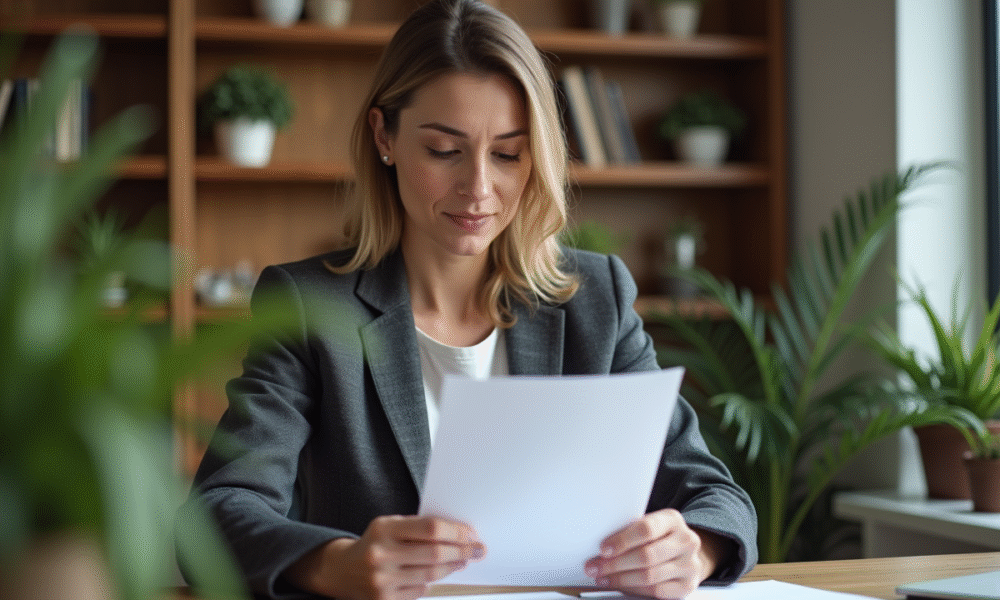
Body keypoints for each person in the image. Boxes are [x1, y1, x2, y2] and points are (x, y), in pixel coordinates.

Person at [178, 1, 758, 599]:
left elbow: (717, 499)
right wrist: (336, 563)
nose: (478, 189)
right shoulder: (310, 307)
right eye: (444, 150)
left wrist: (696, 547)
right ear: (385, 136)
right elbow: (216, 513)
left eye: (507, 153)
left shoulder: (596, 301)